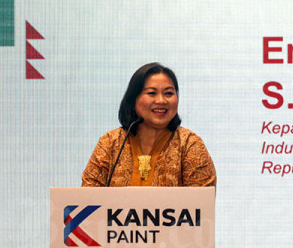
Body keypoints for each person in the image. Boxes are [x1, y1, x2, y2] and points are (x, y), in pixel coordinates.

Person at [82, 62, 216, 187]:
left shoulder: (190, 144)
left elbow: (200, 201)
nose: (161, 100)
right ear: (133, 99)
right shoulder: (110, 143)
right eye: (151, 93)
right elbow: (87, 197)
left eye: (169, 93)